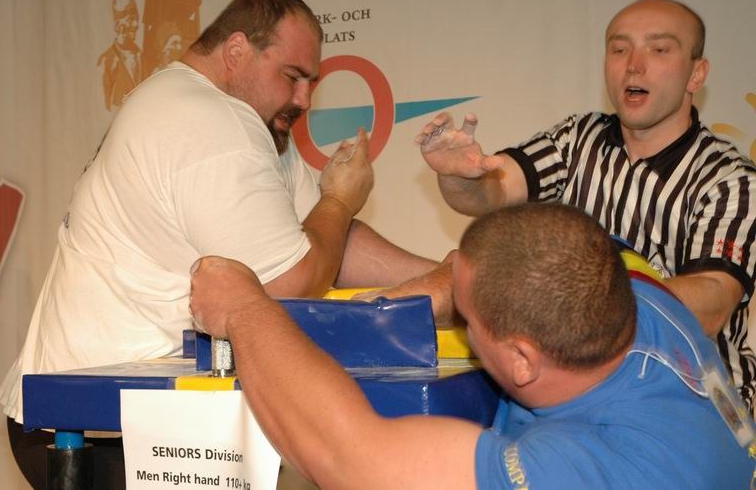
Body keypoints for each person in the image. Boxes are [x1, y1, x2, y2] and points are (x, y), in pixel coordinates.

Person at [0, 0, 438, 489]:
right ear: (236, 51)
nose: (304, 98)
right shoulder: (207, 119)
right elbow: (289, 282)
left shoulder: (238, 116)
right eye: (293, 77)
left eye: (312, 82)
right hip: (91, 426)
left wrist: (445, 273)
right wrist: (340, 200)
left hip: (130, 417)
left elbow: (321, 240)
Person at [189, 203, 755, 488]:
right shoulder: (640, 298)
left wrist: (244, 310)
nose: (457, 316)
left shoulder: (593, 465)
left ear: (521, 360)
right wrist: (445, 281)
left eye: (468, 317)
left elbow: (348, 456)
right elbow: (581, 238)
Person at [407, 0, 756, 411]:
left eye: (659, 49)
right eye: (619, 48)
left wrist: (575, 300)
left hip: (693, 401)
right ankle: (366, 326)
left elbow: (711, 303)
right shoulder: (579, 137)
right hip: (577, 392)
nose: (634, 65)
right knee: (462, 267)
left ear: (696, 74)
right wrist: (456, 174)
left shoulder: (730, 177)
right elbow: (491, 194)